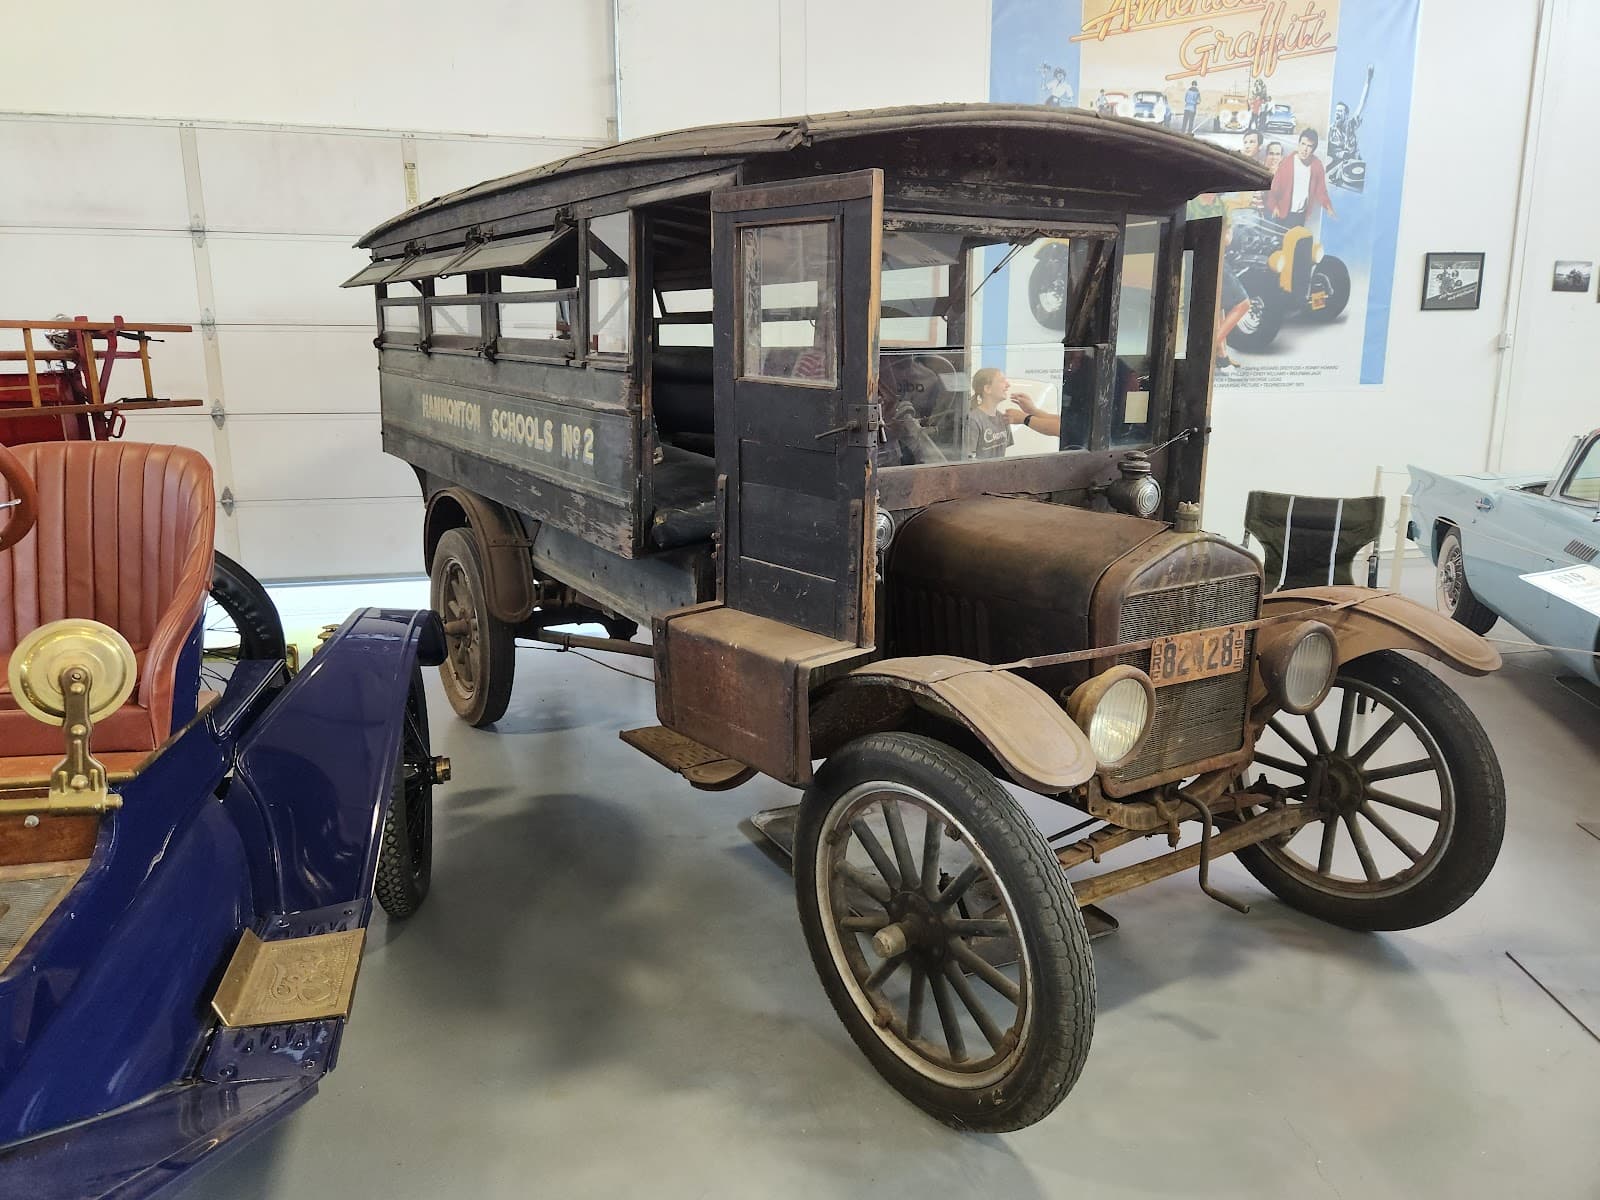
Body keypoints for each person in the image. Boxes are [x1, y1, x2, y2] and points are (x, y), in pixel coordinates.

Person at [1268, 128, 1335, 228]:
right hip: (1282, 213)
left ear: (1314, 149)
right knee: (1280, 242)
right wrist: (1274, 206)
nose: (1305, 149)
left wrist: (1328, 207)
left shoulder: (1317, 165)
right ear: (1299, 144)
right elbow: (1274, 188)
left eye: (1309, 146)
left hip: (1300, 216)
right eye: (1303, 144)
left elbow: (1321, 190)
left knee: (1295, 242)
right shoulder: (1286, 163)